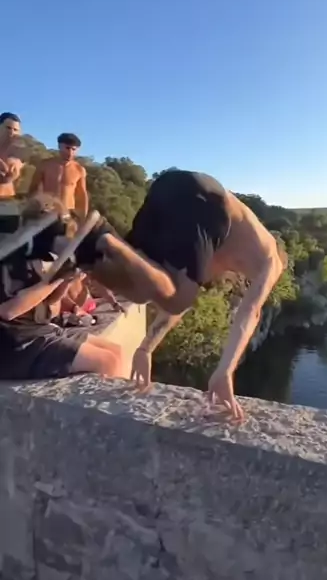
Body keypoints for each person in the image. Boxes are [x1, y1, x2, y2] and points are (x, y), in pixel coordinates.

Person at [73, 169, 287, 420]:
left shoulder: (225, 247)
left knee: (142, 291)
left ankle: (84, 251)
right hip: (206, 199)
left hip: (168, 186)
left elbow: (181, 295)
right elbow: (251, 312)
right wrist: (225, 371)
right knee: (174, 299)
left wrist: (145, 349)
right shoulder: (272, 262)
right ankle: (105, 237)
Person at [0, 195, 124, 381]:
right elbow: (8, 311)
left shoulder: (38, 257)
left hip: (39, 329)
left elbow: (52, 304)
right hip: (15, 343)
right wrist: (57, 277)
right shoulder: (10, 258)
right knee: (107, 362)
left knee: (116, 351)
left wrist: (66, 279)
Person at [29, 132, 89, 219]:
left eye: (74, 149)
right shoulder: (45, 165)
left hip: (68, 212)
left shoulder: (79, 170)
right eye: (67, 148)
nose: (70, 153)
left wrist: (83, 216)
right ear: (60, 146)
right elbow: (33, 188)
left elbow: (82, 195)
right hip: (48, 211)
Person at [0, 112, 25, 235]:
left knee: (9, 239)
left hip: (8, 200)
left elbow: (9, 177)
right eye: (8, 128)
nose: (12, 132)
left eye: (15, 130)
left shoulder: (19, 151)